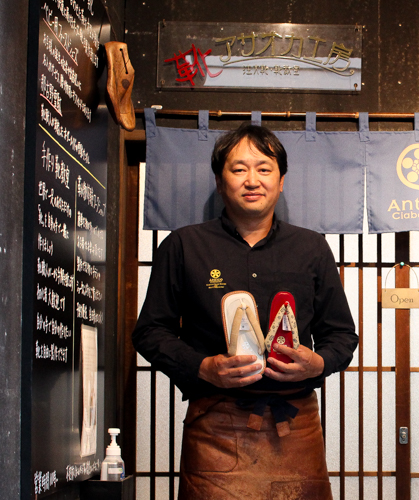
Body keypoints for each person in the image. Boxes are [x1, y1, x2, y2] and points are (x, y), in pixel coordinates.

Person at [132, 123, 358, 499]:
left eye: (264, 169)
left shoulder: (312, 248)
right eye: (239, 169)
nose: (252, 180)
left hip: (295, 422)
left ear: (281, 181)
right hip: (214, 424)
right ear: (221, 182)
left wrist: (318, 363)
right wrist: (203, 367)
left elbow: (342, 335)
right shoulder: (184, 245)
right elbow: (150, 332)